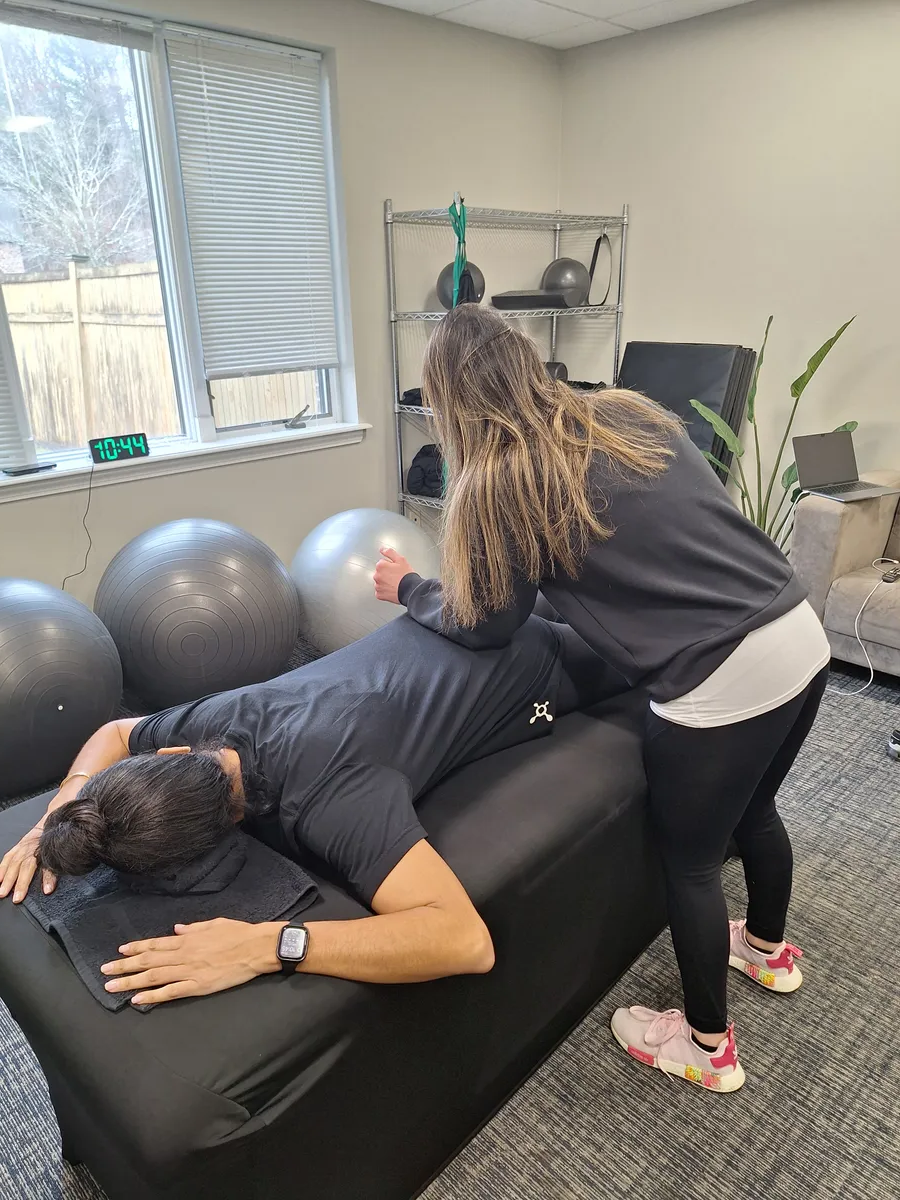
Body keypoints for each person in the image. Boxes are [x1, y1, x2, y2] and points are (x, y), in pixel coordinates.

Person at [373, 303, 830, 1094]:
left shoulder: (503, 480)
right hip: (799, 634)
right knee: (756, 810)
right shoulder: (625, 413)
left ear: (449, 400)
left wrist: (410, 586)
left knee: (692, 865)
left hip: (720, 683)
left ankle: (707, 1047)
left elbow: (487, 624)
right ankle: (767, 952)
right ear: (523, 359)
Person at [0, 608, 612, 1007]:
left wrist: (267, 945)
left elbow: (465, 941)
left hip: (537, 665)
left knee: (652, 647)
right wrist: (65, 812)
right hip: (450, 618)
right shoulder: (214, 725)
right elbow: (116, 735)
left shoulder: (331, 799)